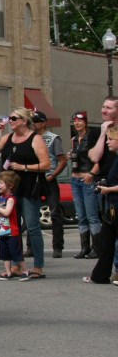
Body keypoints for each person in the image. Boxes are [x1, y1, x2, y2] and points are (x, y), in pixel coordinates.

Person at [0, 108, 50, 280]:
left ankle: (38, 267)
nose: (10, 120)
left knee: (32, 227)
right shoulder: (7, 138)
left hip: (29, 188)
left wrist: (24, 167)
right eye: (9, 118)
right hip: (10, 191)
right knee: (12, 229)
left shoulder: (35, 139)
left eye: (14, 118)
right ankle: (16, 265)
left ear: (24, 121)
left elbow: (46, 164)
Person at [83, 127, 118, 284]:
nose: (108, 142)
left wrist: (108, 189)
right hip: (112, 206)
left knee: (108, 240)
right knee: (106, 241)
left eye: (111, 139)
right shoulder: (115, 158)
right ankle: (100, 275)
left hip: (115, 203)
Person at [32, 110, 67, 257]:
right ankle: (31, 247)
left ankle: (57, 247)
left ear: (43, 123)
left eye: (36, 121)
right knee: (32, 213)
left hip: (48, 178)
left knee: (54, 213)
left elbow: (62, 160)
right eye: (32, 121)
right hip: (34, 179)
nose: (33, 124)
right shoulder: (30, 138)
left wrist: (52, 176)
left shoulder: (53, 138)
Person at [69, 111, 102, 259]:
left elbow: (99, 159)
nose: (77, 123)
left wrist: (92, 174)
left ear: (86, 122)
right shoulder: (75, 139)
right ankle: (85, 247)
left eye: (80, 120)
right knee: (81, 216)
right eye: (75, 120)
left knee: (92, 215)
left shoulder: (92, 137)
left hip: (87, 179)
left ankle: (97, 247)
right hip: (75, 179)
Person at [0, 171, 28, 280]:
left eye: (1, 183)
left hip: (13, 232)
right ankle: (8, 272)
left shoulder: (11, 199)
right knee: (4, 254)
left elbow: (7, 212)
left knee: (17, 253)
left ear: (10, 185)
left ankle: (25, 271)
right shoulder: (2, 198)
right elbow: (2, 212)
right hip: (3, 231)